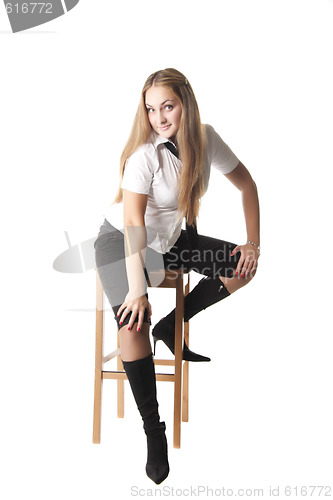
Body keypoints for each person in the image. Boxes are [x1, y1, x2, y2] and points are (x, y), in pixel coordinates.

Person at [94, 68, 260, 484]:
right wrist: (137, 289)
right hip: (122, 242)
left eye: (167, 105)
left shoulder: (205, 139)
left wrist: (252, 243)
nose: (159, 117)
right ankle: (154, 429)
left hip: (171, 240)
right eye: (151, 109)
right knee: (131, 321)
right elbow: (133, 223)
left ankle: (171, 326)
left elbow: (247, 184)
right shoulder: (144, 156)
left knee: (242, 268)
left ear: (186, 102)